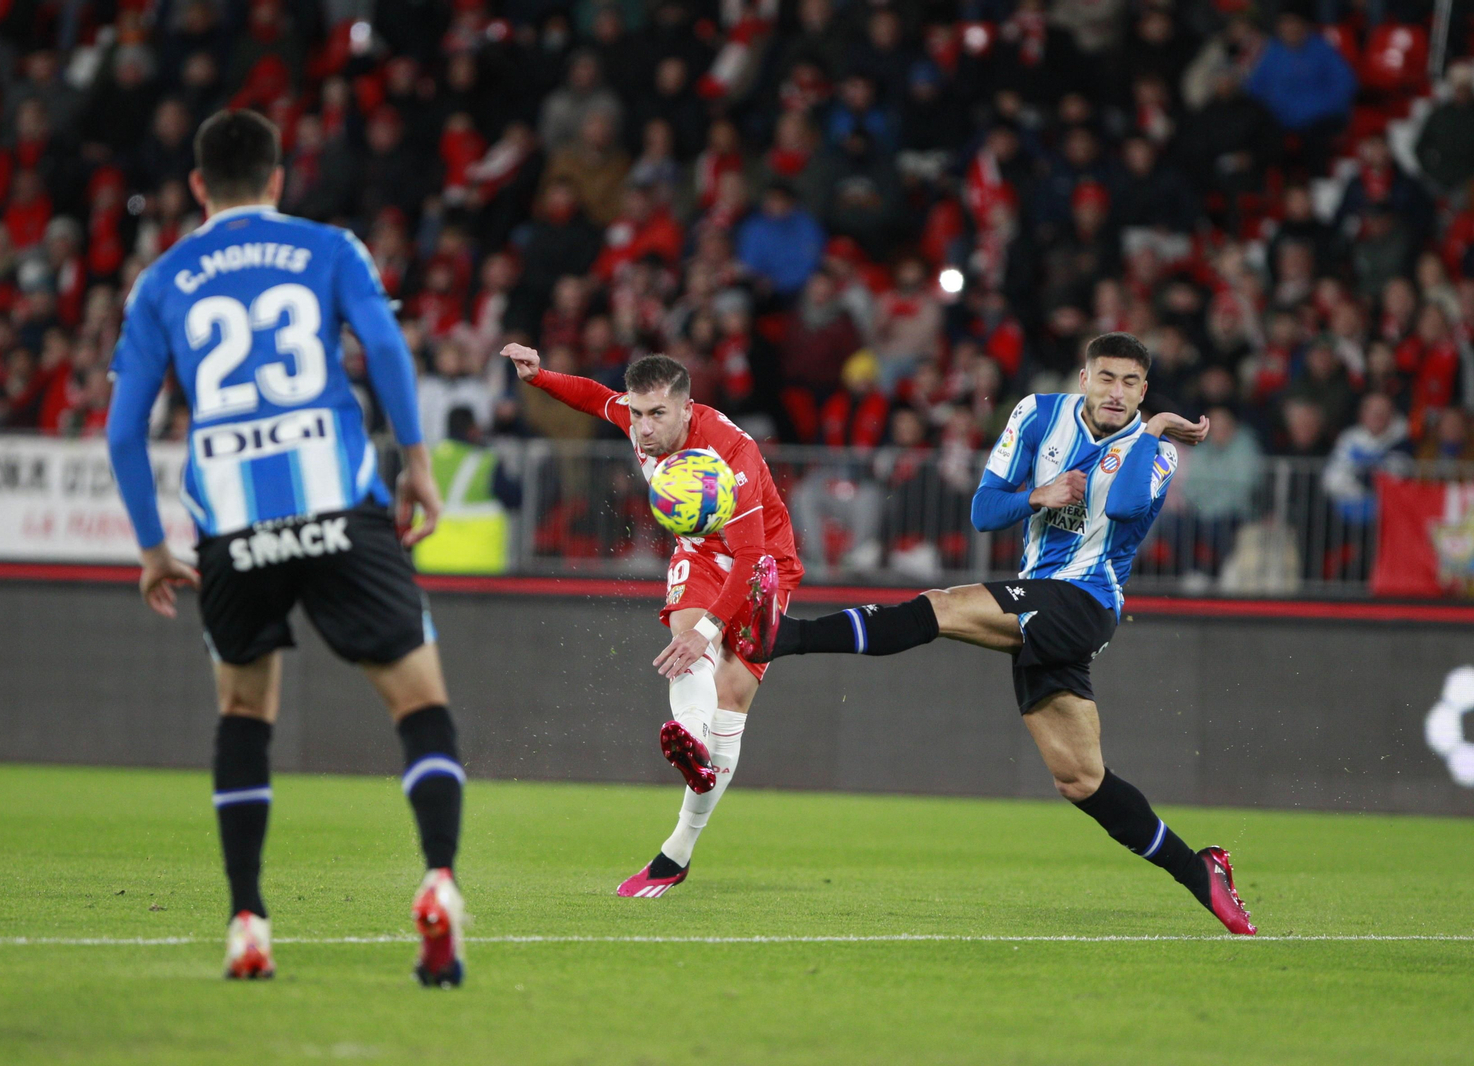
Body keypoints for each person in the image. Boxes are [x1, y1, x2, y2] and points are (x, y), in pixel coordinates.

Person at [105, 111, 467, 985]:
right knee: (419, 704)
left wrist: (154, 549)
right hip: (342, 508)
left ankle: (247, 921)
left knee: (242, 717)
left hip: (231, 527)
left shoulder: (159, 281)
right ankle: (441, 879)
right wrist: (416, 464)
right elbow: (383, 345)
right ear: (276, 178)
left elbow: (123, 433)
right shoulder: (330, 248)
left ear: (198, 186)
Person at [738, 332, 1258, 936]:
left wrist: (1158, 427)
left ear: (1144, 391)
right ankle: (1202, 872)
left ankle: (781, 637)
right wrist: (1039, 494)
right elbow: (984, 511)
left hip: (1087, 601)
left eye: (1133, 384)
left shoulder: (1156, 449)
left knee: (943, 606)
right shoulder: (1038, 415)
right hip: (1038, 596)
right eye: (1107, 378)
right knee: (1081, 780)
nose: (1118, 393)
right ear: (1083, 378)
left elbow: (1122, 509)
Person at [502, 342, 804, 898]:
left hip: (761, 561)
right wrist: (540, 375)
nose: (643, 427)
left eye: (657, 414)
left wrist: (710, 632)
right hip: (698, 550)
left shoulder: (730, 453)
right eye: (638, 414)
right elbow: (596, 399)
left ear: (687, 410)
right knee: (686, 641)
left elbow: (747, 555)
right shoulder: (638, 420)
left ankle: (678, 850)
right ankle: (689, 739)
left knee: (731, 697)